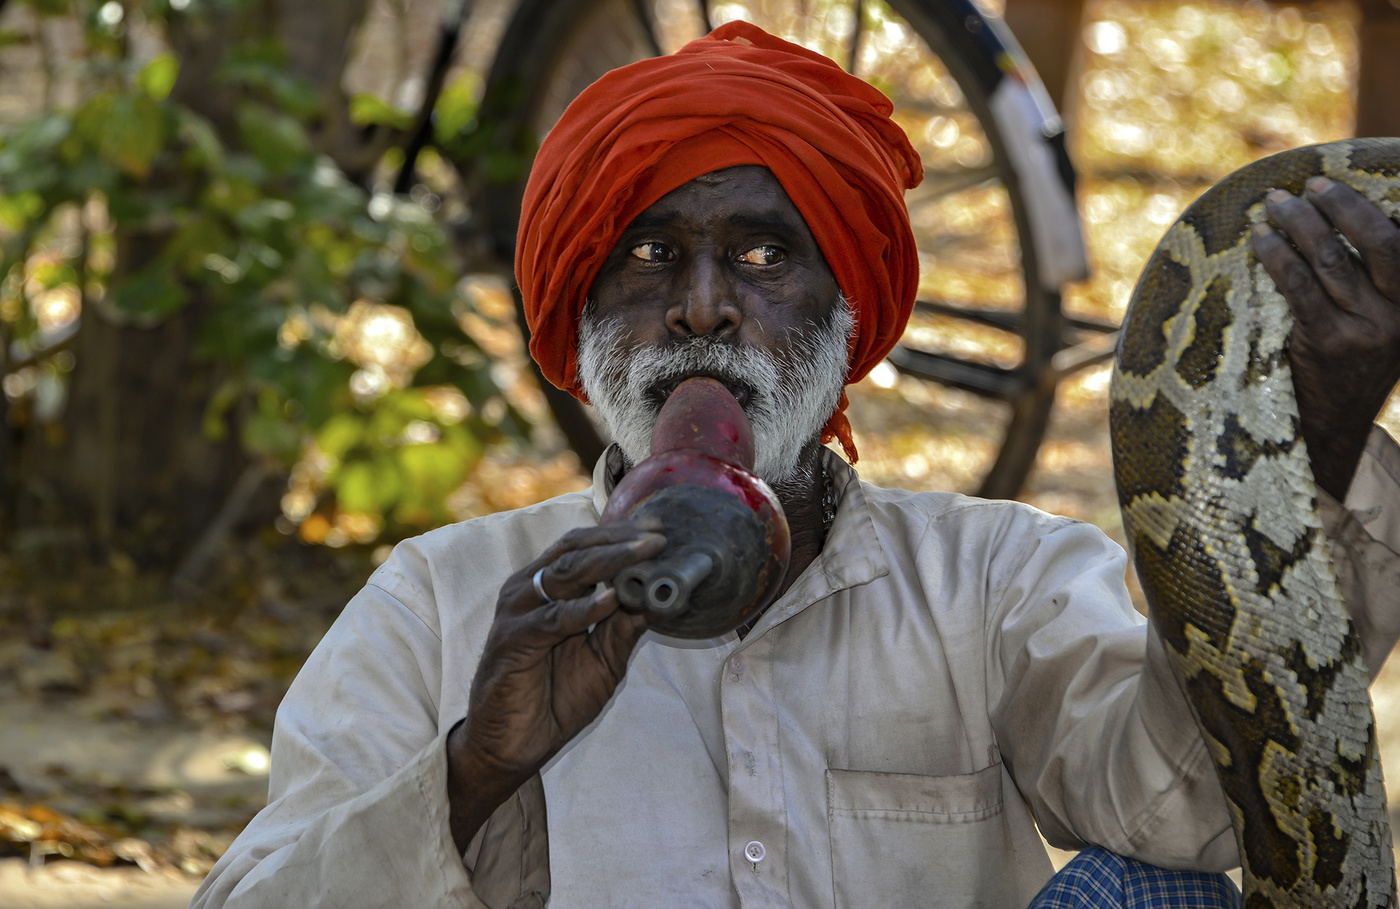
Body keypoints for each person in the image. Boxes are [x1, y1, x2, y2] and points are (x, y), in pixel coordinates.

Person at [189, 22, 1400, 909]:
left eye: (765, 257)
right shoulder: (443, 604)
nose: (703, 310)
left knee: (1156, 898)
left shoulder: (993, 580)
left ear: (845, 319)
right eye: (650, 254)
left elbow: (1192, 809)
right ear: (580, 318)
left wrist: (1317, 433)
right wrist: (476, 767)